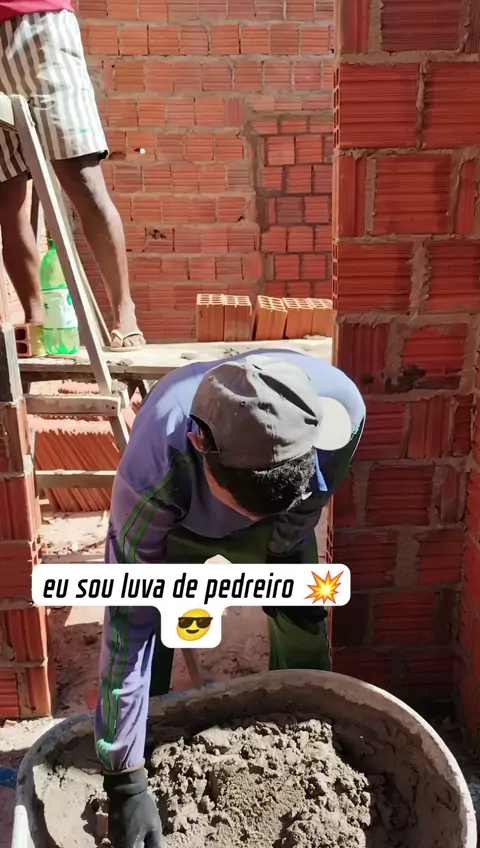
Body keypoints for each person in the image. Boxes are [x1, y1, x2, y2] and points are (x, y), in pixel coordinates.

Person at [95, 349, 366, 848]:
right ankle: (152, 742)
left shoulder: (340, 411)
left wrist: (283, 542)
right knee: (158, 617)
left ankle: (309, 728)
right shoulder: (154, 474)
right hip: (183, 523)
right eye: (244, 508)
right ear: (200, 446)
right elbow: (126, 624)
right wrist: (123, 780)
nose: (246, 523)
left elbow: (314, 498)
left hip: (285, 523)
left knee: (300, 611)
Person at [0, 1, 144, 349]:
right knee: (7, 197)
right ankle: (36, 320)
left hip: (42, 27)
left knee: (85, 183)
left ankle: (124, 312)